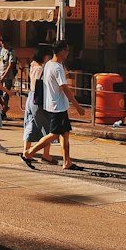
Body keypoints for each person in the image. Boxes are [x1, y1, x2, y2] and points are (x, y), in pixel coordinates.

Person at [24, 41, 85, 170]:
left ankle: (66, 161)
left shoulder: (49, 65)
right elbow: (65, 88)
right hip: (58, 106)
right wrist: (77, 106)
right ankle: (29, 153)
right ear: (62, 51)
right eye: (67, 50)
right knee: (54, 134)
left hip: (55, 104)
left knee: (65, 133)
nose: (68, 53)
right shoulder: (57, 67)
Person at [22, 45, 53, 163]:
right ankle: (46, 154)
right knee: (47, 126)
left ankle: (26, 151)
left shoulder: (33, 65)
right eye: (49, 56)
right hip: (39, 99)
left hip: (31, 96)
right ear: (44, 56)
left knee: (30, 124)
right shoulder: (41, 69)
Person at [0, 35, 17, 119]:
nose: (3, 44)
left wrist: (4, 76)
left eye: (4, 42)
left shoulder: (11, 52)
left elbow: (10, 65)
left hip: (8, 76)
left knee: (5, 94)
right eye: (1, 42)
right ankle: (4, 106)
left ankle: (3, 111)